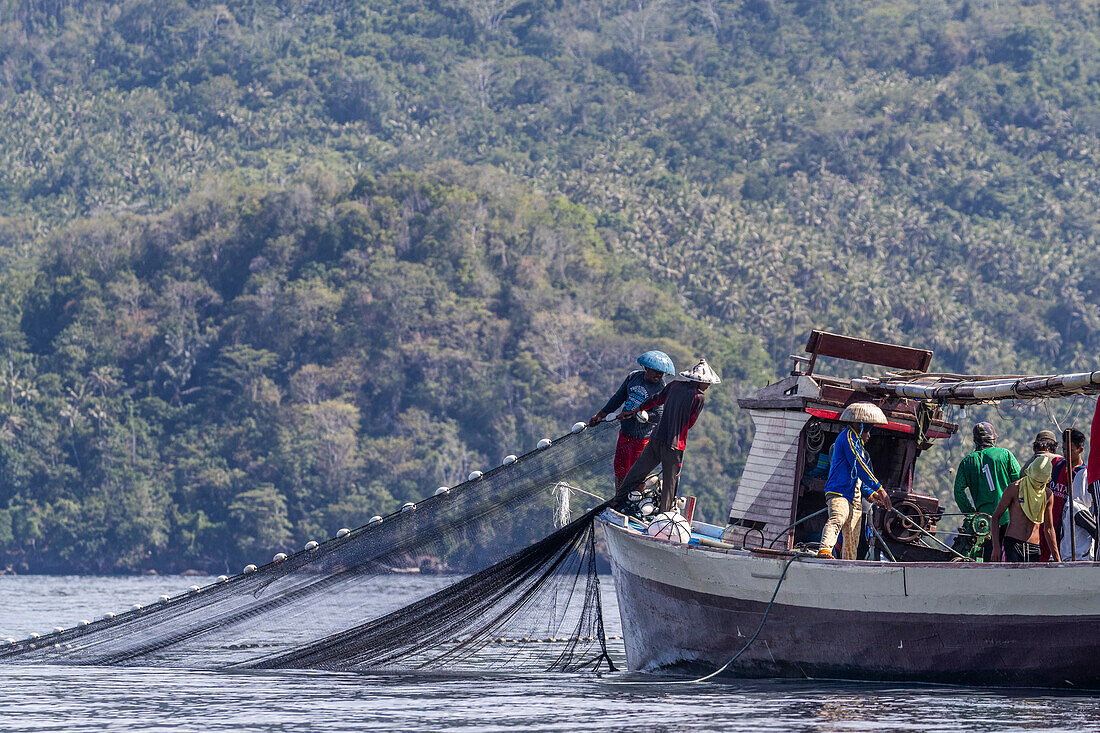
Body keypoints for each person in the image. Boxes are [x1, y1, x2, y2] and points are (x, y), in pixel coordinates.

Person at [614, 358, 720, 513]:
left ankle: (618, 501)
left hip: (656, 437)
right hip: (674, 445)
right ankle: (664, 515)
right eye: (707, 382)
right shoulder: (699, 397)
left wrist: (636, 410)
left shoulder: (674, 385)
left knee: (637, 472)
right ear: (699, 382)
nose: (709, 385)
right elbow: (690, 422)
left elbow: (655, 400)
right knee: (670, 483)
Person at [587, 351, 676, 491]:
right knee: (620, 469)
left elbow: (658, 416)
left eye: (661, 373)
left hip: (642, 438)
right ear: (646, 368)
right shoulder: (634, 377)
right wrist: (600, 415)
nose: (658, 375)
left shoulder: (660, 389)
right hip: (625, 432)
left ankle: (633, 500)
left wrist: (635, 414)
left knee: (637, 473)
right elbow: (617, 398)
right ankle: (618, 498)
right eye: (655, 372)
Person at [817, 402, 893, 560]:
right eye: (868, 430)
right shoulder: (847, 439)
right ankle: (824, 550)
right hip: (839, 492)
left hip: (855, 498)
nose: (869, 435)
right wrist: (881, 490)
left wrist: (872, 495)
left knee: (852, 537)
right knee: (838, 517)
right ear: (861, 427)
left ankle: (848, 563)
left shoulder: (860, 448)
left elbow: (862, 480)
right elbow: (859, 466)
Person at [952, 422, 1021, 562]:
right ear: (993, 438)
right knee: (1012, 560)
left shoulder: (967, 462)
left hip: (985, 523)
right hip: (1009, 518)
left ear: (976, 440)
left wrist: (971, 514)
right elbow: (1020, 482)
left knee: (990, 559)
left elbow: (958, 492)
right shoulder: (1005, 454)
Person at [990, 451, 1060, 563]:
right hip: (1013, 544)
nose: (1038, 484)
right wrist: (996, 547)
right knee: (1012, 579)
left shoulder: (1047, 494)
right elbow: (995, 517)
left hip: (1034, 547)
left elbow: (1049, 528)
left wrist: (1057, 559)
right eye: (1036, 480)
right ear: (1030, 472)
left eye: (1041, 482)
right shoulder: (1014, 489)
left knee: (1033, 580)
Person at [1046, 428, 1089, 561]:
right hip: (1050, 530)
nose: (1065, 453)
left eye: (1069, 450)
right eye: (1063, 449)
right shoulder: (1056, 465)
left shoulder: (1083, 475)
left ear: (1080, 450)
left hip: (1071, 540)